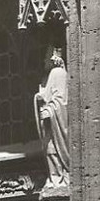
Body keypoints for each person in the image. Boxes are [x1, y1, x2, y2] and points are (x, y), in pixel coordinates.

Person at [34, 44, 70, 187]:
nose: (44, 60)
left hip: (55, 123)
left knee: (53, 149)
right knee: (50, 150)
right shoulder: (50, 75)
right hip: (50, 126)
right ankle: (55, 176)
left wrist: (49, 109)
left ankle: (59, 177)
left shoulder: (57, 73)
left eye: (46, 57)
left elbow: (61, 100)